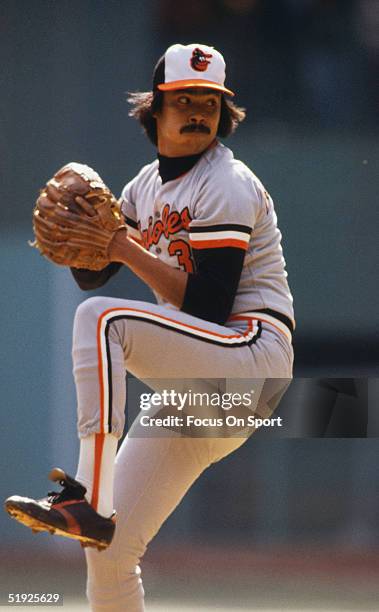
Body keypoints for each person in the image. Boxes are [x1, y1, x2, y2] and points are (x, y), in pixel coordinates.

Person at [5, 43, 295, 610]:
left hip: (251, 355)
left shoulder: (228, 182)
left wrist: (118, 244)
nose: (197, 112)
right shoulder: (142, 189)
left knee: (103, 320)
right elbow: (97, 275)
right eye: (184, 99)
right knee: (108, 556)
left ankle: (86, 495)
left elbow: (210, 306)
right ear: (154, 108)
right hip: (196, 394)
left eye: (210, 103)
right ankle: (94, 512)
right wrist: (82, 243)